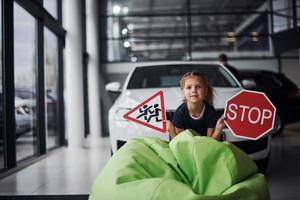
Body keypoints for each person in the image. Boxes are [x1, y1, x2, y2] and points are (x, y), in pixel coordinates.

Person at [167, 71, 226, 140]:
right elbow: (180, 143)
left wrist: (218, 129)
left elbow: (211, 143)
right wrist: (171, 130)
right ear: (183, 91)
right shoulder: (180, 113)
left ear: (205, 90)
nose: (194, 90)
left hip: (205, 147)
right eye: (189, 87)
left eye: (198, 87)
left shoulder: (210, 112)